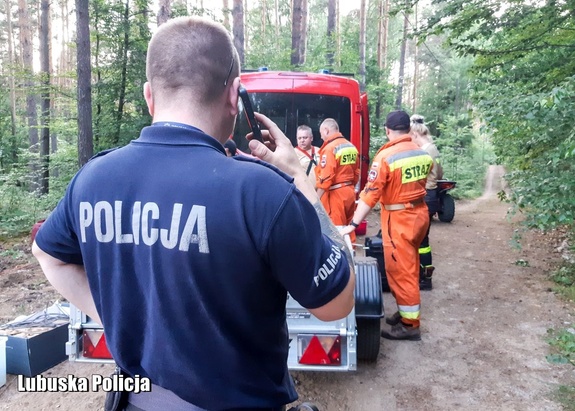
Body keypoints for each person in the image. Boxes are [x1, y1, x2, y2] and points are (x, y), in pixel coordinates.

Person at [32, 16, 355, 411]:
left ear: (149, 96)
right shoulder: (263, 191)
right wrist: (302, 182)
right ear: (235, 96)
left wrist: (119, 314)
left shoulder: (93, 179)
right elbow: (336, 304)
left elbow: (47, 254)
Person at [341, 110, 432, 341]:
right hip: (420, 214)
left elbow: (371, 195)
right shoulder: (420, 151)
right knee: (411, 263)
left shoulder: (386, 157)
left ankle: (410, 325)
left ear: (387, 130)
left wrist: (352, 224)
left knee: (402, 271)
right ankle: (404, 313)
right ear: (409, 129)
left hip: (399, 219)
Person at [410, 114, 444, 289]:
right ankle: (424, 275)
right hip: (432, 195)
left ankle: (423, 277)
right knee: (423, 240)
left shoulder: (423, 153)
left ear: (415, 135)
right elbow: (439, 175)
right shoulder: (434, 149)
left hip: (424, 196)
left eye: (411, 138)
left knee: (419, 240)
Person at [315, 118, 360, 234]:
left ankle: (342, 252)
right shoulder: (351, 147)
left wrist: (315, 200)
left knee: (337, 231)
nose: (321, 137)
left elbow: (325, 179)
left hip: (335, 196)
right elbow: (356, 173)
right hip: (350, 193)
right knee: (349, 229)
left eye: (321, 134)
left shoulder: (330, 149)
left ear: (326, 130)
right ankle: (352, 251)